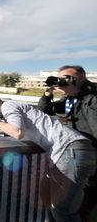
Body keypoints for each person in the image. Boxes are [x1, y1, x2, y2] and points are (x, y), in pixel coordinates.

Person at [0, 92, 96, 222]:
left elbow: (17, 132)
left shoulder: (8, 105)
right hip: (66, 153)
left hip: (69, 150)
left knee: (62, 210)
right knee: (50, 204)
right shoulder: (5, 118)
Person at [37, 65, 97, 221]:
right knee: (66, 206)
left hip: (87, 157)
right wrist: (47, 93)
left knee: (66, 208)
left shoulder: (92, 99)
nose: (61, 81)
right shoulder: (67, 100)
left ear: (80, 79)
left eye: (66, 78)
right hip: (71, 155)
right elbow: (44, 112)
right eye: (60, 77)